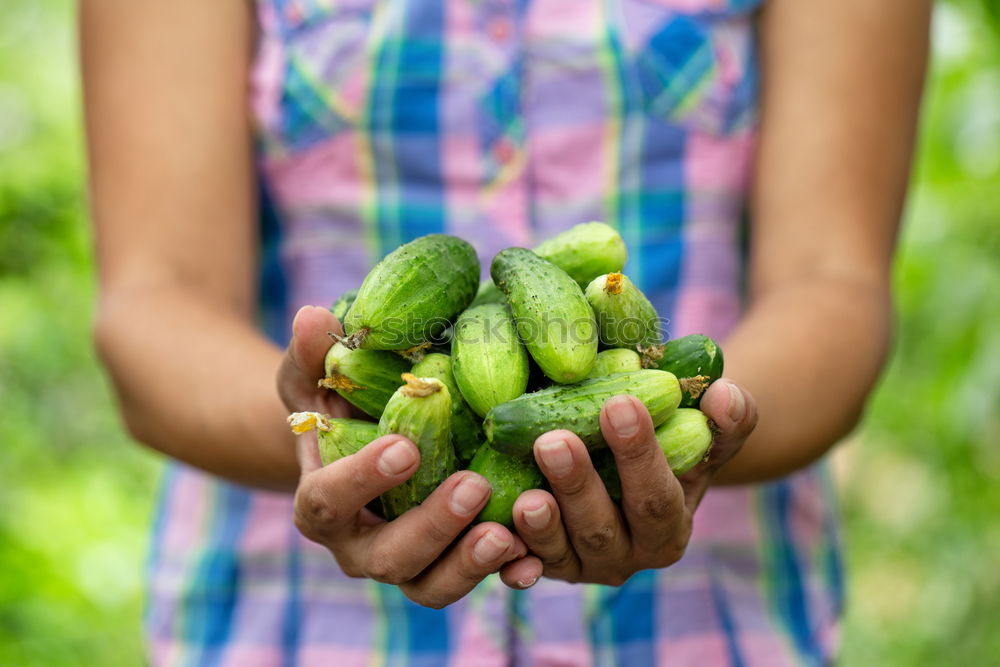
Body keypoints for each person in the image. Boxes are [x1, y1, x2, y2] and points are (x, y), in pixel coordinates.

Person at [81, 0, 929, 664]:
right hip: (297, 623)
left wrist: (704, 431)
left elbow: (835, 285)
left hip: (704, 620)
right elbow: (155, 304)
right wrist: (348, 440)